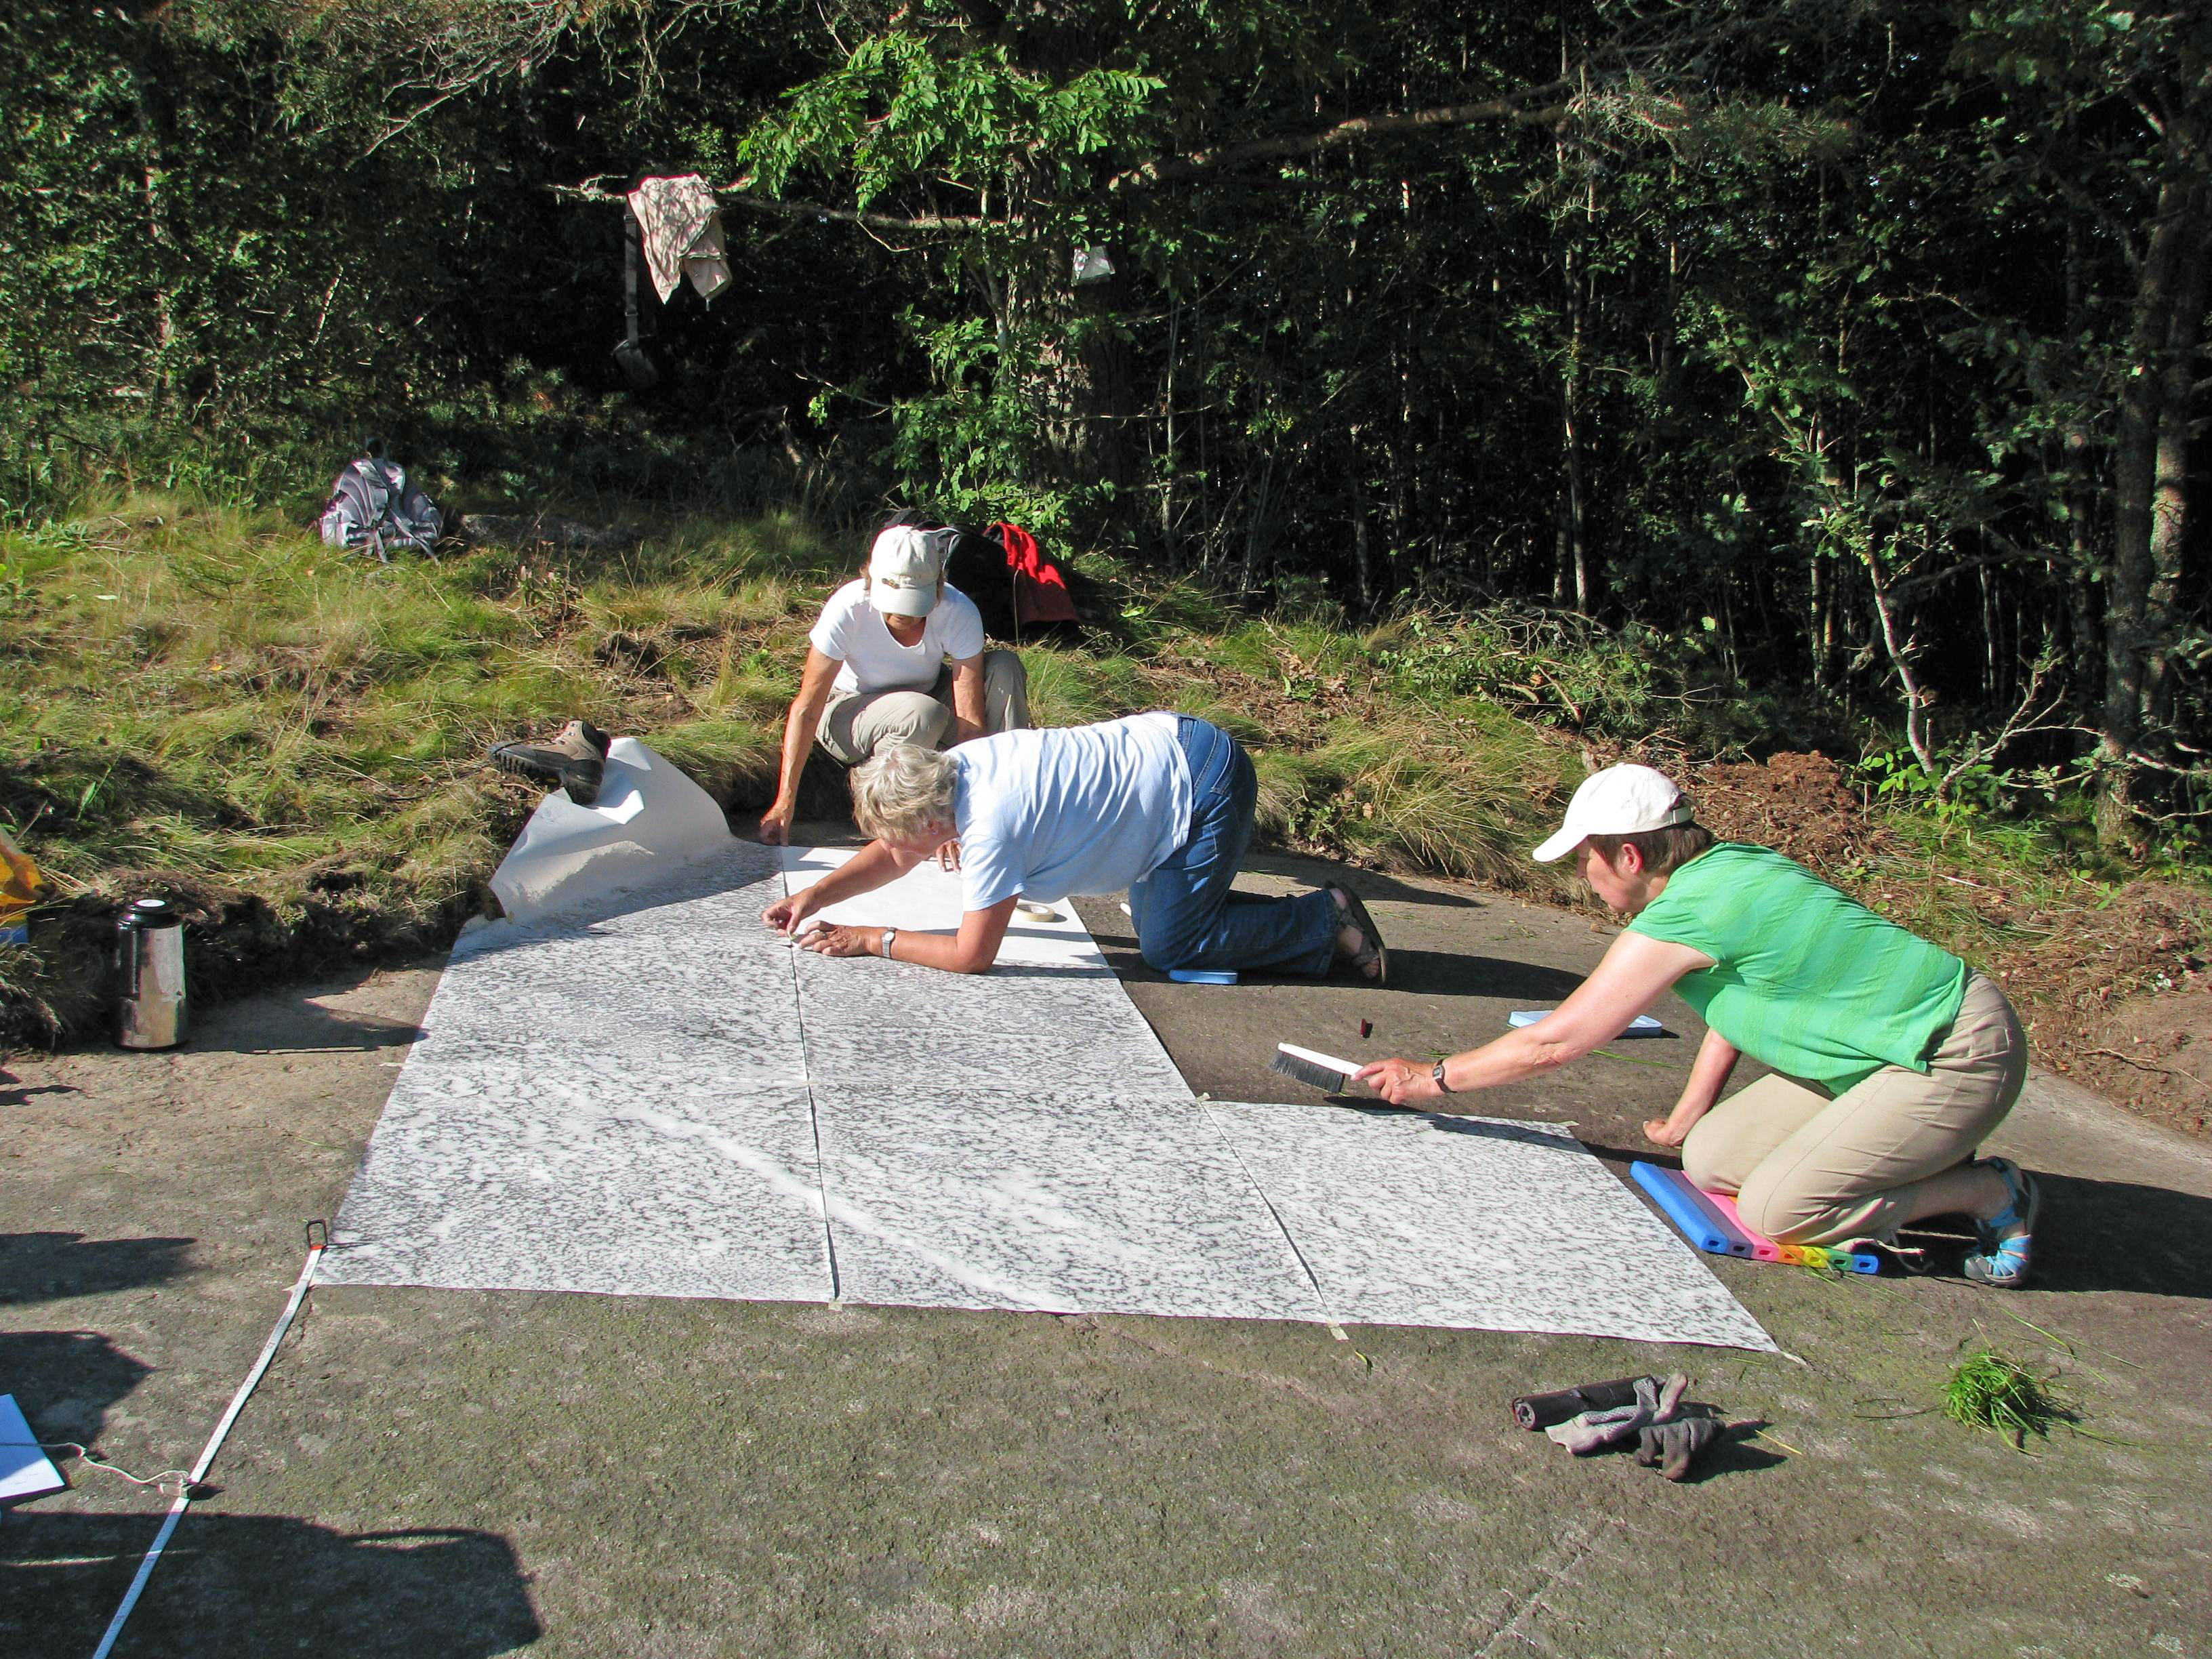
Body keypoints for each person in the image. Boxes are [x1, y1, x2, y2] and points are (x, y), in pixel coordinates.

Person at [1355, 763, 2039, 1286]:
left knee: (1781, 1212)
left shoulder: (1692, 911)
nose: (1583, 879)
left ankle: (1987, 1190)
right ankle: (1922, 1154)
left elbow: (1556, 1040)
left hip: (1953, 1053)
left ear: (1629, 855)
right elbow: (1746, 1003)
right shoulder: (1725, 870)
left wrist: (1434, 1078)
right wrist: (1689, 1112)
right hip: (1874, 1055)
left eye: (1585, 860)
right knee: (1711, 1160)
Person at [760, 712, 1391, 983]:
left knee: (1171, 946)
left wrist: (875, 938)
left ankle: (1324, 918)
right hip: (1169, 753)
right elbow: (899, 853)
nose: (901, 851)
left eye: (905, 836)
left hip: (1203, 785)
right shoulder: (951, 769)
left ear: (932, 823)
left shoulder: (992, 826)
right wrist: (814, 895)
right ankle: (1273, 914)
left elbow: (973, 955)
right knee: (1161, 921)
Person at [758, 525, 1030, 845]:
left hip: (926, 695)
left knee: (1004, 668)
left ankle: (1009, 803)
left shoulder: (959, 611)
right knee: (920, 712)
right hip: (850, 709)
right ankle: (891, 819)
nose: (905, 615)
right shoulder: (848, 608)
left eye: (916, 604)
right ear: (871, 581)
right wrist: (784, 802)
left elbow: (971, 725)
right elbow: (808, 706)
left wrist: (962, 814)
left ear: (939, 587)